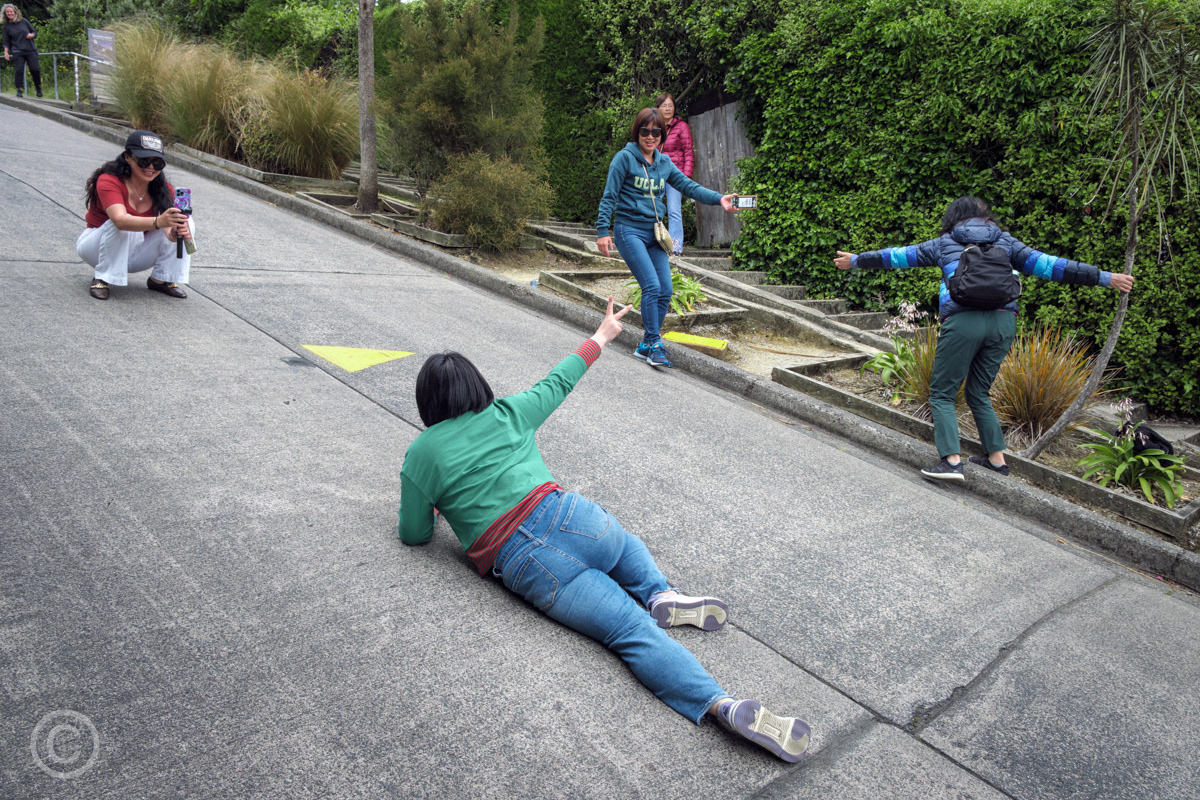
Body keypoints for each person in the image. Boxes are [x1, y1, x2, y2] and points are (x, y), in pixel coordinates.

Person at [398, 297, 812, 764]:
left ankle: (723, 704)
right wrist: (602, 335)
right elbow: (559, 380)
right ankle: (660, 594)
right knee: (623, 548)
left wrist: (436, 508)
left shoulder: (422, 453)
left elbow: (413, 533)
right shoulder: (510, 412)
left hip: (526, 561)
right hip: (574, 516)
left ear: (427, 402)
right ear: (478, 386)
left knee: (629, 633)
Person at [834, 196, 1135, 481]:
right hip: (1004, 322)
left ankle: (951, 461)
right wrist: (1105, 278)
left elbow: (895, 257)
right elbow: (1053, 266)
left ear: (953, 217)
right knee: (979, 391)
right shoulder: (1007, 242)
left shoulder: (944, 243)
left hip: (964, 321)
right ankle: (996, 459)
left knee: (941, 392)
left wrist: (857, 260)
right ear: (985, 217)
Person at [596, 107, 737, 369]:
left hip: (655, 233)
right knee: (651, 286)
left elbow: (689, 187)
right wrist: (603, 231)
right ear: (637, 132)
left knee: (666, 289)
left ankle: (646, 346)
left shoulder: (664, 163)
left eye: (656, 132)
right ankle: (653, 342)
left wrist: (720, 199)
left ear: (662, 134)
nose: (650, 137)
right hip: (629, 231)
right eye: (645, 131)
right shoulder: (623, 159)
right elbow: (609, 196)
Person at [78, 130, 194, 301]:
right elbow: (119, 220)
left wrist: (174, 233)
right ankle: (103, 277)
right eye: (144, 160)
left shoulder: (162, 188)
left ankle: (161, 279)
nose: (150, 167)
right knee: (126, 224)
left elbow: (167, 229)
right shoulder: (109, 180)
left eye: (158, 163)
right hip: (95, 248)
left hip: (134, 253)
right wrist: (158, 221)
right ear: (127, 157)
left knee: (184, 220)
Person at [655, 93, 695, 257]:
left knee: (673, 211)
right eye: (664, 105)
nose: (667, 108)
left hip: (675, 175)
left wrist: (685, 177)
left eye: (670, 105)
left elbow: (688, 153)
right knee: (652, 209)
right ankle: (652, 243)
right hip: (656, 175)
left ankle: (675, 248)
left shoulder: (681, 126)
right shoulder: (653, 127)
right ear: (658, 108)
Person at [2, 3, 41, 98]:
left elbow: (34, 32)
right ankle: (19, 89)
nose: (9, 13)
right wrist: (6, 52)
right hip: (17, 51)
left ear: (15, 12)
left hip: (30, 49)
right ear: (5, 14)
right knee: (19, 70)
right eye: (7, 12)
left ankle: (38, 87)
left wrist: (31, 35)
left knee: (35, 69)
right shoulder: (7, 27)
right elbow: (6, 41)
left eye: (11, 11)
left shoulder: (24, 21)